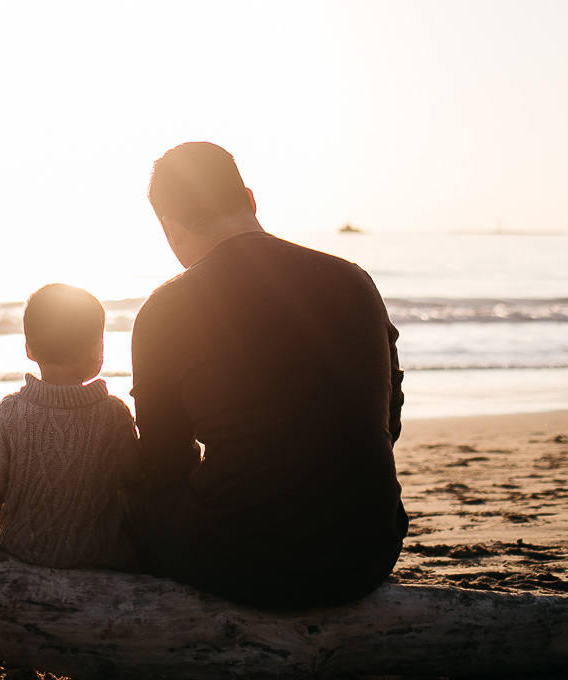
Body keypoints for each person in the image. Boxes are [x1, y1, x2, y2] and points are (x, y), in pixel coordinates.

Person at [127, 142, 406, 608]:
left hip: (239, 563)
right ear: (251, 200)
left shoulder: (165, 309)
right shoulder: (353, 279)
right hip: (367, 551)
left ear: (169, 227)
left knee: (132, 501)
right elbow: (387, 419)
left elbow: (165, 464)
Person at [0, 283, 140, 570]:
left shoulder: (8, 414)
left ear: (28, 349)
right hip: (101, 567)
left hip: (20, 562)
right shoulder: (115, 416)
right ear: (98, 350)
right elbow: (137, 484)